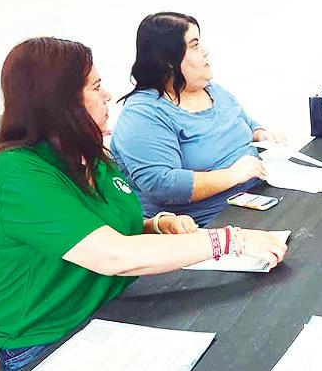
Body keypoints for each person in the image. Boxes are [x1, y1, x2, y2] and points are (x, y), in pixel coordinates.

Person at [0, 37, 287, 371]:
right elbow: (112, 255)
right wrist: (231, 240)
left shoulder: (89, 156)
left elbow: (91, 227)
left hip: (113, 312)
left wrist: (153, 225)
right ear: (60, 101)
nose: (107, 95)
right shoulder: (16, 174)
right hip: (48, 341)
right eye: (96, 87)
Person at [111, 12, 282, 226]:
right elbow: (163, 185)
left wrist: (262, 134)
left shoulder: (213, 91)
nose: (205, 51)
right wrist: (233, 175)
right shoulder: (142, 114)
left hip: (257, 197)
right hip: (208, 222)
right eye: (194, 45)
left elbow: (245, 123)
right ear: (167, 60)